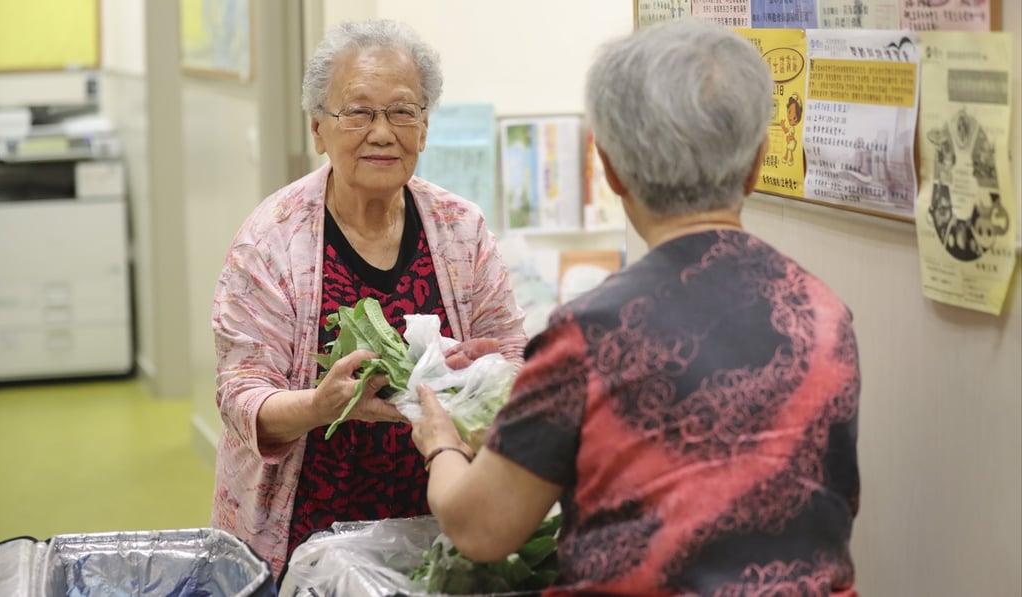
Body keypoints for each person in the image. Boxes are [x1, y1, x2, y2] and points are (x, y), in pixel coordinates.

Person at [411, 20, 861, 596]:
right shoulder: (826, 315)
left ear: (610, 168)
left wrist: (441, 443)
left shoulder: (590, 334)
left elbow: (481, 527)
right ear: (756, 164)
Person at [210, 18, 526, 578]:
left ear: (424, 127)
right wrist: (318, 406)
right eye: (357, 112)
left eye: (402, 112)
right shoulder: (270, 240)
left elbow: (513, 356)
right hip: (306, 536)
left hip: (441, 525)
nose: (382, 133)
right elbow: (241, 396)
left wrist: (482, 378)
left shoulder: (461, 229)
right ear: (317, 130)